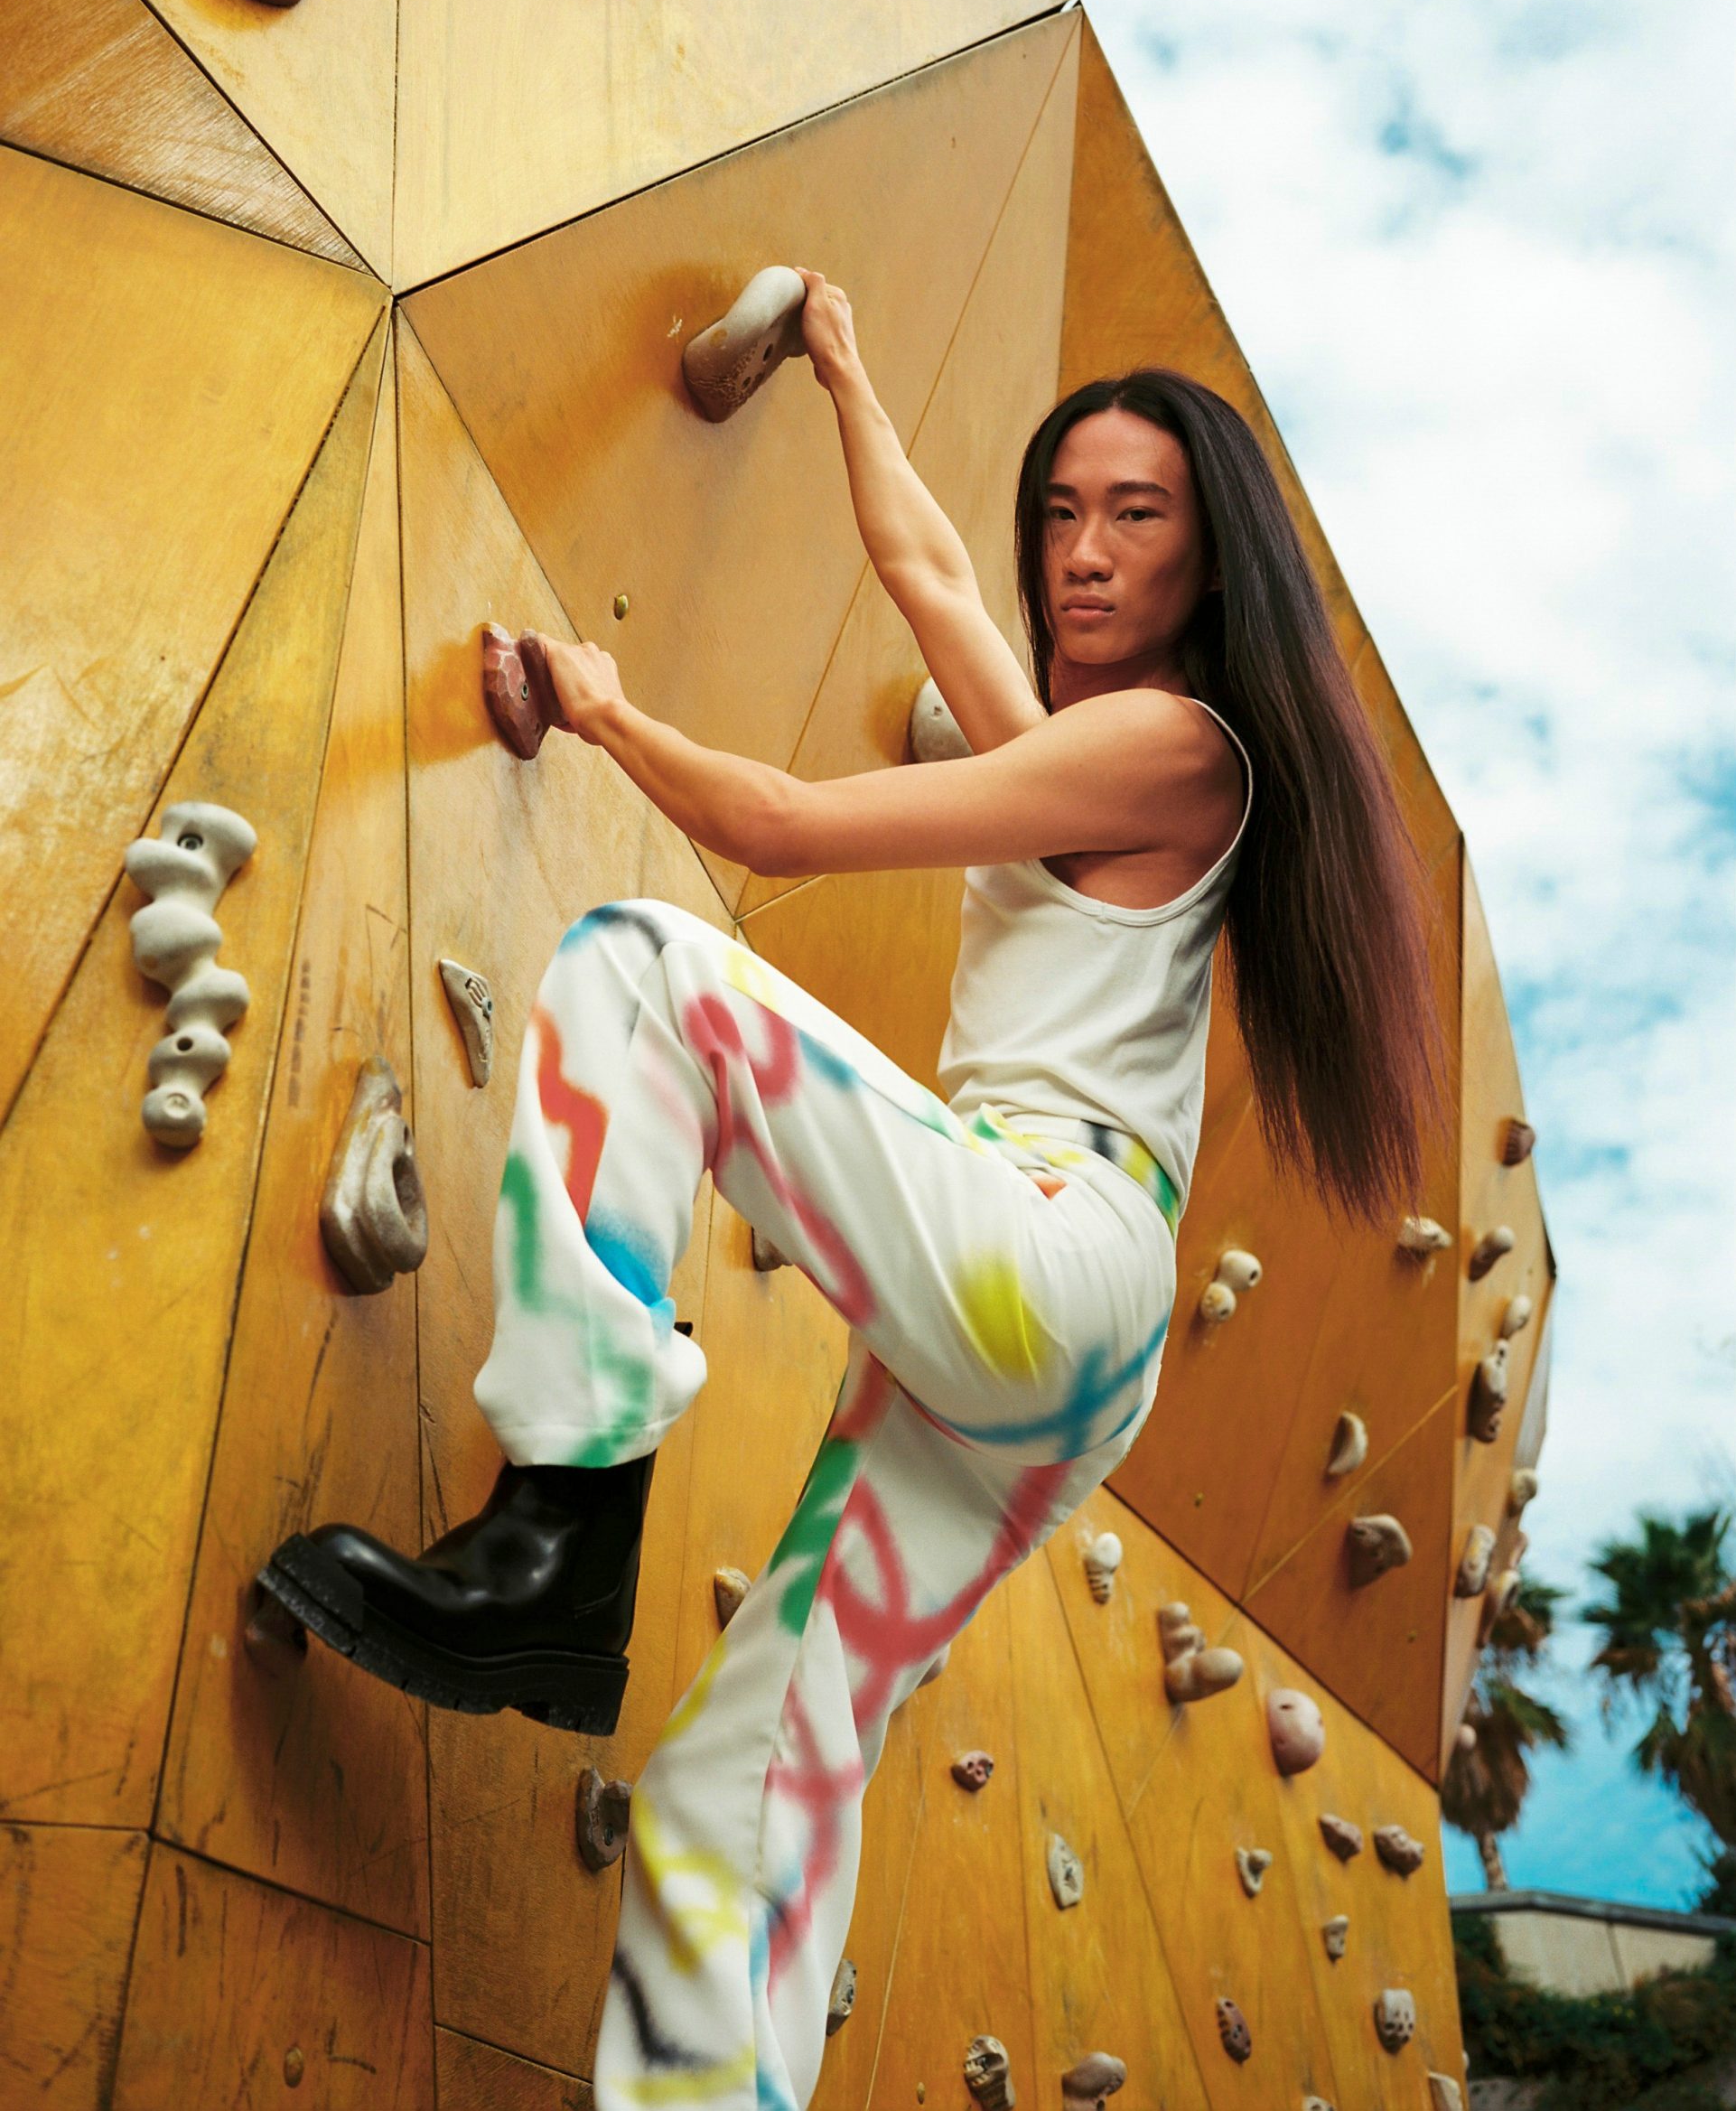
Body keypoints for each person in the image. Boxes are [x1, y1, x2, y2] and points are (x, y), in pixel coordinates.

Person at [260, 270, 1440, 2106]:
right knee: (740, 1789)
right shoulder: (1080, 758)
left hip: (1040, 1245)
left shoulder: (1172, 746)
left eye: (1137, 517)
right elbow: (930, 572)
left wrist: (604, 711)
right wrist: (839, 361)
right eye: (1063, 510)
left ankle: (556, 1536)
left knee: (647, 974)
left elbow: (787, 828)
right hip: (1044, 1371)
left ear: (1214, 563)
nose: (1082, 553)